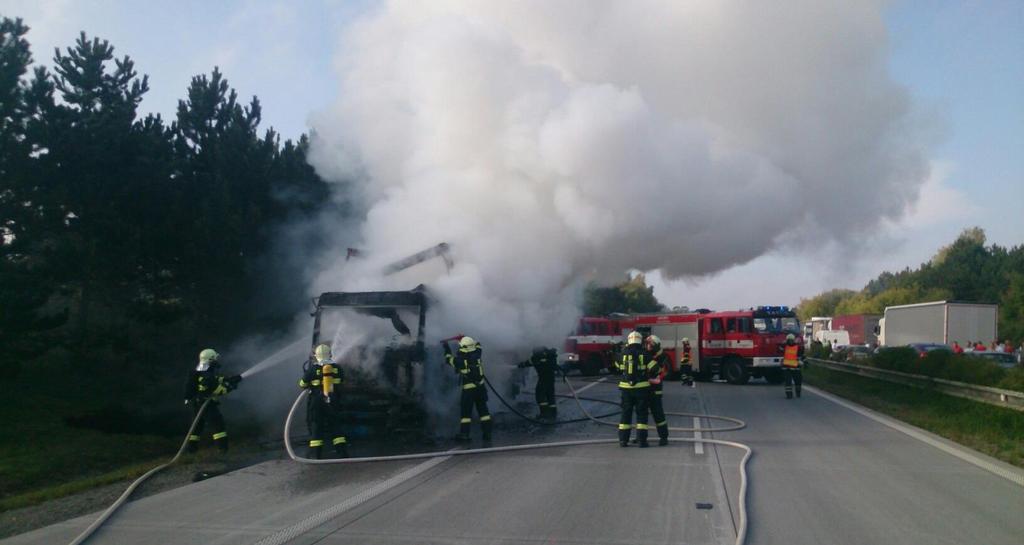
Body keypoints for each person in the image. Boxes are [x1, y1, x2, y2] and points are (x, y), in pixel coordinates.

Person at [184, 349, 242, 453]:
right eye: (215, 359)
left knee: (196, 427)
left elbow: (216, 380)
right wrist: (231, 386)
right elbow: (218, 390)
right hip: (207, 405)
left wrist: (229, 379)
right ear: (210, 360)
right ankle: (223, 450)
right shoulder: (207, 375)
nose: (217, 361)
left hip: (197, 404)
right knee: (218, 425)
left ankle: (191, 450)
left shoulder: (200, 372)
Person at [299, 343, 348, 459]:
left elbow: (302, 384)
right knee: (336, 425)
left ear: (316, 355)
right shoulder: (337, 368)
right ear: (330, 354)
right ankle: (342, 454)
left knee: (316, 426)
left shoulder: (313, 369)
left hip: (316, 402)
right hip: (333, 400)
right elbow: (341, 380)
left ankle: (316, 455)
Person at [444, 336, 492, 441]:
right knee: (484, 412)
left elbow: (448, 359)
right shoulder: (478, 354)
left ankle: (464, 434)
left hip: (469, 391)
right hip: (481, 388)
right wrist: (464, 337)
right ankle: (487, 433)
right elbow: (479, 344)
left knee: (466, 413)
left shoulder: (460, 361)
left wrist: (446, 346)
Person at [614, 331, 657, 447]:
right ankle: (642, 441)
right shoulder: (644, 354)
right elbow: (655, 368)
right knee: (642, 414)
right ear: (640, 341)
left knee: (625, 413)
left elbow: (617, 367)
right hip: (642, 389)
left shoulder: (623, 354)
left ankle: (623, 440)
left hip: (625, 389)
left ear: (629, 340)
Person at [517, 347, 559, 419]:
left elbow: (529, 363)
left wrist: (521, 365)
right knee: (550, 395)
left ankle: (544, 414)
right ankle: (553, 412)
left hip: (543, 378)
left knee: (540, 395)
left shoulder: (537, 356)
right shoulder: (549, 354)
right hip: (551, 378)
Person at [644, 334, 670, 446]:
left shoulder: (662, 356)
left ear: (655, 345)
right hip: (644, 389)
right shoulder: (647, 355)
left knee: (658, 415)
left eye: (649, 344)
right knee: (642, 415)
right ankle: (641, 437)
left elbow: (658, 372)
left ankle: (663, 437)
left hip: (655, 390)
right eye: (646, 344)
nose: (647, 346)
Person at [779, 334, 804, 399]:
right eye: (789, 340)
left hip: (792, 367)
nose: (790, 341)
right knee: (789, 382)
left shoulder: (795, 347)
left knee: (796, 381)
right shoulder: (786, 346)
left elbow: (801, 355)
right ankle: (790, 395)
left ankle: (795, 393)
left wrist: (802, 361)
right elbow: (779, 349)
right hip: (790, 367)